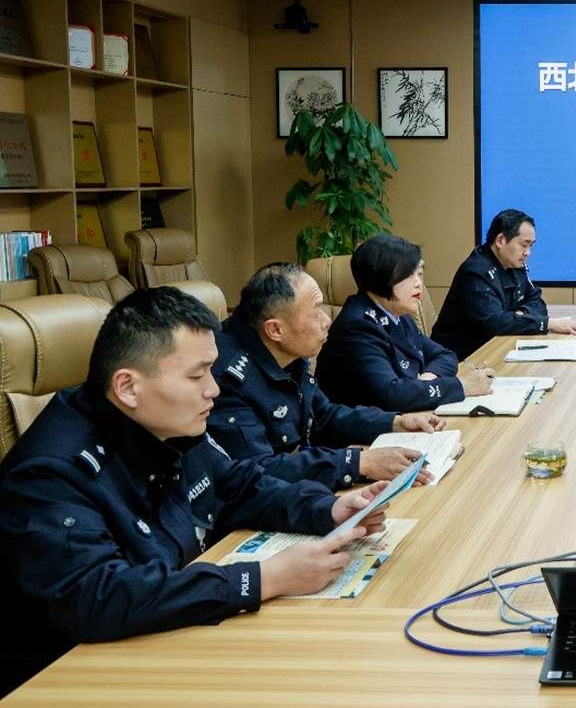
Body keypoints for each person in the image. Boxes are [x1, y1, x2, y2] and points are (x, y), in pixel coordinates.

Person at [0, 288, 391, 695]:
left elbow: (238, 486)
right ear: (127, 387)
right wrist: (263, 579)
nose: (214, 389)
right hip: (79, 680)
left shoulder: (166, 423)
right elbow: (100, 597)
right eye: (196, 375)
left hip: (164, 639)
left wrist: (328, 509)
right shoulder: (48, 474)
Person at [210, 262, 445, 491]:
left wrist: (394, 422)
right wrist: (358, 463)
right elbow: (259, 472)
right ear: (275, 329)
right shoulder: (225, 380)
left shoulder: (286, 352)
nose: (327, 321)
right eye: (316, 312)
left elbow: (324, 416)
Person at [316, 233, 493, 411]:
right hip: (365, 426)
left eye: (419, 273)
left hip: (404, 419)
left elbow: (445, 355)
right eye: (407, 275)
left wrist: (427, 380)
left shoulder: (398, 314)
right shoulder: (357, 327)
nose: (418, 283)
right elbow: (393, 395)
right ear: (380, 276)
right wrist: (462, 386)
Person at [431, 209, 576, 360]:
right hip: (459, 359)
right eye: (524, 245)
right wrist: (546, 323)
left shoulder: (514, 265)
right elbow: (494, 323)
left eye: (531, 246)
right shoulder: (476, 272)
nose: (528, 253)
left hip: (496, 350)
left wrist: (519, 314)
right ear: (501, 240)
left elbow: (537, 303)